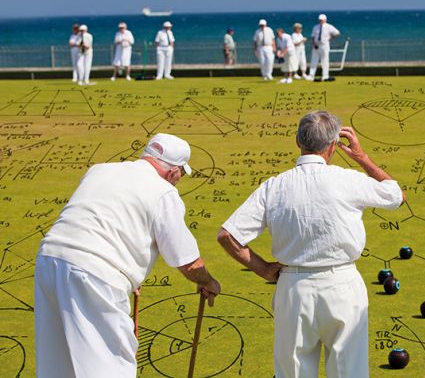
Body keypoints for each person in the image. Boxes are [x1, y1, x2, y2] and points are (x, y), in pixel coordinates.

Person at [217, 111, 405, 378]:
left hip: (293, 288)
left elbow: (228, 235)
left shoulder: (274, 186)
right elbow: (396, 195)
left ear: (298, 141)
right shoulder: (347, 179)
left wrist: (263, 269)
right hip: (342, 285)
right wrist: (362, 158)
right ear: (332, 146)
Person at [34, 133, 221, 378]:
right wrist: (208, 281)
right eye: (181, 175)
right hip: (95, 274)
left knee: (58, 365)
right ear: (174, 172)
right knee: (110, 365)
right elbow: (187, 261)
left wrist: (129, 276)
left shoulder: (99, 170)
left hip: (49, 261)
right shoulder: (164, 191)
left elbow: (105, 219)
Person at [307, 14, 340, 82]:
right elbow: (313, 36)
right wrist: (314, 44)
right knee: (314, 60)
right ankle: (311, 75)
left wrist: (331, 38)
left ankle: (325, 75)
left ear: (325, 20)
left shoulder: (329, 26)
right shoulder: (315, 27)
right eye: (320, 20)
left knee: (325, 61)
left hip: (324, 45)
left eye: (322, 20)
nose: (321, 21)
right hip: (316, 45)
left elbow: (337, 33)